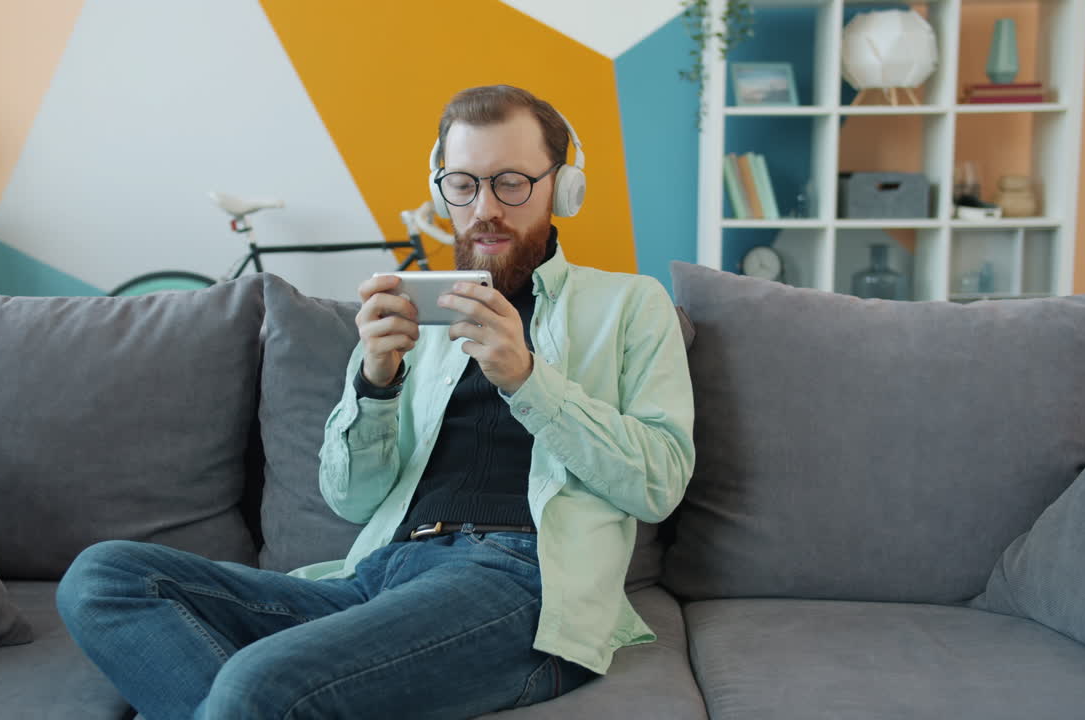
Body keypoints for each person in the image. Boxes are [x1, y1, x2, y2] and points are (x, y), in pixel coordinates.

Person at [57, 84, 695, 719]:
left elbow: (658, 484)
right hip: (378, 577)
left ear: (563, 187)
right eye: (464, 185)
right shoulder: (417, 319)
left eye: (510, 183)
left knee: (258, 685)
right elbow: (352, 499)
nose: (484, 209)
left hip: (521, 583)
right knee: (104, 578)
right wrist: (375, 381)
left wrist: (528, 379)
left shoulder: (632, 305)